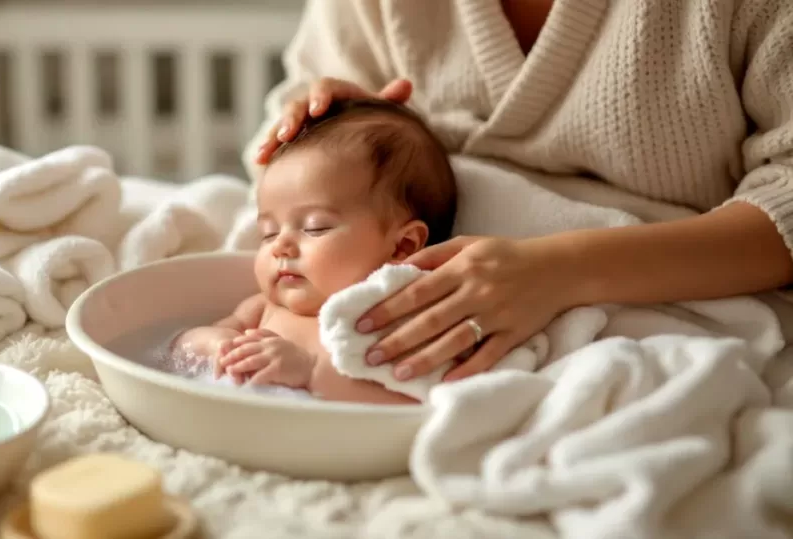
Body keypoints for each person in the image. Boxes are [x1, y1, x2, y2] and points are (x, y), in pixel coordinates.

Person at [243, 0, 793, 384]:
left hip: (669, 312)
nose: (283, 245)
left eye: (313, 230)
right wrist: (332, 131)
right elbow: (281, 146)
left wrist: (562, 271)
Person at [172, 98, 456, 404]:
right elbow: (182, 347)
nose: (280, 245)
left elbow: (410, 398)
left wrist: (311, 371)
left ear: (403, 246)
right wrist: (218, 345)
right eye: (268, 233)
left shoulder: (393, 322)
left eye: (315, 227)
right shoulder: (262, 309)